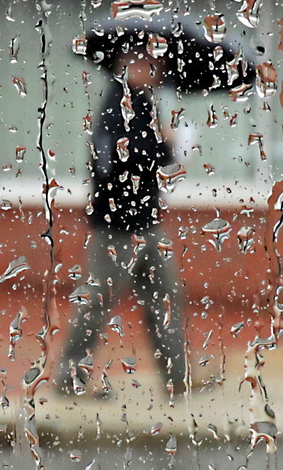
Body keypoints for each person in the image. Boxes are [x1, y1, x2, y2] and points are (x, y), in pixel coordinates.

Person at [56, 44, 187, 397]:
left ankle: (178, 382)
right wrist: (165, 143)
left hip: (146, 224)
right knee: (95, 306)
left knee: (165, 302)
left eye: (157, 60)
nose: (157, 67)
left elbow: (152, 162)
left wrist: (164, 142)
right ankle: (69, 382)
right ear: (126, 65)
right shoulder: (116, 107)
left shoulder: (146, 102)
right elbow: (112, 161)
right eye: (148, 60)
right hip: (115, 230)